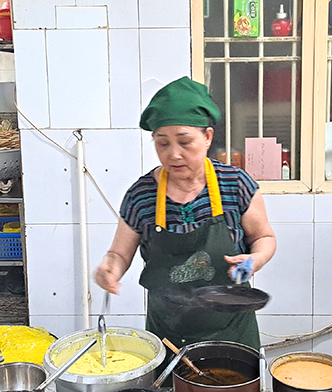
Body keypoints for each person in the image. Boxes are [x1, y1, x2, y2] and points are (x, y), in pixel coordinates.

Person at [95, 77, 276, 351]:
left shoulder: (235, 184)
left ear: (207, 137)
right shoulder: (141, 195)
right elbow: (119, 254)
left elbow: (264, 236)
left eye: (184, 141)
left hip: (233, 331)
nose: (174, 155)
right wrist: (110, 268)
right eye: (162, 143)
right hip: (168, 334)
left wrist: (256, 258)